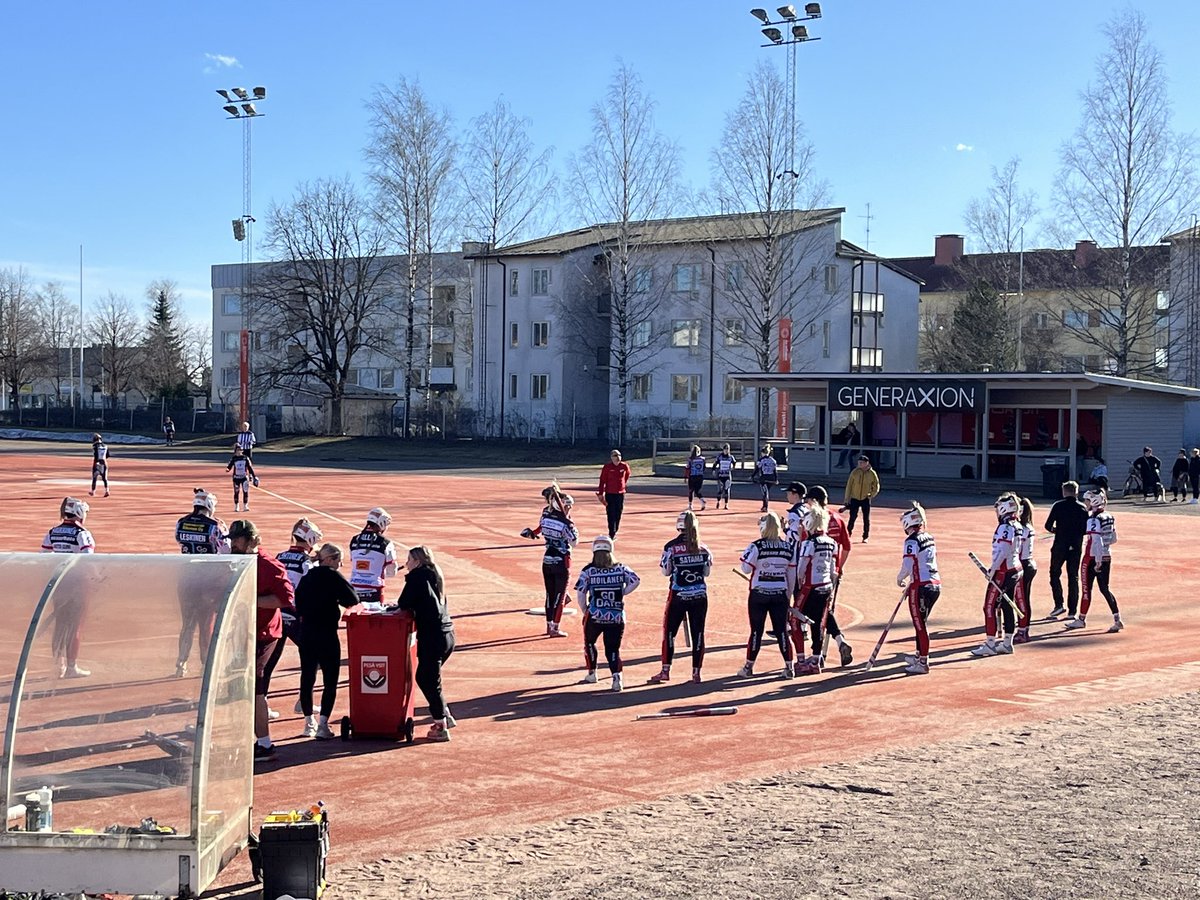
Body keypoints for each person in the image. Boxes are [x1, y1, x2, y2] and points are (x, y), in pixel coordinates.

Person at [228, 519, 295, 762]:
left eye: (238, 539)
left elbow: (286, 599)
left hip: (264, 636)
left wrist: (251, 600)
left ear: (251, 541)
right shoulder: (234, 559)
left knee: (255, 690)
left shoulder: (269, 565)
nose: (233, 543)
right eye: (232, 539)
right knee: (236, 687)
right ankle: (244, 737)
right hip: (241, 633)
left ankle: (265, 744)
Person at [294, 542, 359, 740]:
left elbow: (298, 602)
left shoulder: (307, 577)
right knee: (330, 680)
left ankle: (308, 722)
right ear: (330, 560)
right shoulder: (334, 577)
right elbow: (352, 599)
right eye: (339, 561)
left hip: (306, 632)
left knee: (307, 677)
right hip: (327, 633)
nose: (340, 565)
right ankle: (323, 723)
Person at [394, 546, 457, 741]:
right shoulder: (435, 575)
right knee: (429, 678)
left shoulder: (417, 577)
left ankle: (441, 725)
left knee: (427, 679)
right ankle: (444, 714)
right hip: (447, 635)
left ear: (417, 561)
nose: (407, 563)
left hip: (433, 637)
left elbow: (404, 601)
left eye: (409, 559)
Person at [173, 488, 230, 678]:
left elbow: (178, 540)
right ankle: (206, 665)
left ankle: (181, 664)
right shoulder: (215, 525)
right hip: (209, 580)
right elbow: (226, 551)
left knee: (187, 623)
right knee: (206, 624)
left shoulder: (181, 522)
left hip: (187, 577)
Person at [651, 510, 712, 684]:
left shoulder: (670, 547)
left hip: (678, 594)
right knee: (698, 633)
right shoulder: (704, 548)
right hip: (700, 595)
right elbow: (706, 573)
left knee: (669, 632)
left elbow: (665, 571)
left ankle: (665, 670)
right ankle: (696, 673)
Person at [575, 535, 641, 692]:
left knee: (589, 642)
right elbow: (636, 580)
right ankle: (617, 678)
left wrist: (585, 610)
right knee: (613, 649)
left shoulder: (588, 571)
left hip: (595, 615)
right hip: (616, 615)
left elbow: (580, 593)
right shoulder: (621, 568)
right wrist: (623, 592)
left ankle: (592, 673)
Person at [736, 511, 795, 678]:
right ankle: (789, 667)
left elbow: (746, 568)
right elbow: (791, 575)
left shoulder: (756, 546)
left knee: (756, 631)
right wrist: (787, 596)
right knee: (782, 630)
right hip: (780, 593)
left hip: (759, 594)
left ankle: (748, 667)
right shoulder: (788, 547)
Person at [41, 497, 94, 678]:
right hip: (78, 584)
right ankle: (71, 667)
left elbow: (45, 557)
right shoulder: (82, 534)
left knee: (60, 624)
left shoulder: (53, 532)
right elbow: (88, 559)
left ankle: (59, 665)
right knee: (76, 626)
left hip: (58, 583)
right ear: (79, 513)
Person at [801, 485, 854, 667]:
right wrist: (839, 567)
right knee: (825, 609)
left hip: (812, 575)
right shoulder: (838, 519)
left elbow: (803, 546)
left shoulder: (810, 519)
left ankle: (818, 654)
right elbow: (846, 547)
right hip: (831, 570)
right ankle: (837, 642)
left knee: (814, 613)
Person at [277, 518, 323, 713]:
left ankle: (258, 705)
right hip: (298, 616)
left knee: (268, 664)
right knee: (313, 659)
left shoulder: (280, 555)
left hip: (278, 614)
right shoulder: (306, 562)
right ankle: (303, 703)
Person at [521, 484, 579, 638]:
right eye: (568, 506)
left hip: (547, 560)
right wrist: (571, 526)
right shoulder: (566, 523)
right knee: (559, 596)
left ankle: (549, 625)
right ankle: (555, 627)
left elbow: (541, 527)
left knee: (550, 595)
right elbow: (574, 541)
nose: (569, 509)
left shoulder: (545, 515)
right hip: (562, 561)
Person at [1065, 490, 1123, 633]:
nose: (1085, 503)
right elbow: (1114, 538)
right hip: (1107, 555)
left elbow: (1096, 540)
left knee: (1086, 588)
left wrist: (1097, 561)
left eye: (1087, 500)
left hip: (1092, 557)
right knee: (1105, 588)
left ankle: (1081, 619)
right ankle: (1117, 618)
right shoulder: (1109, 516)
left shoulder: (1093, 519)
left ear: (1094, 501)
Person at [970, 493, 1021, 658]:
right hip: (1014, 569)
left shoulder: (1006, 526)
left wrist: (993, 569)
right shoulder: (1017, 524)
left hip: (1004, 571)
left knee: (989, 606)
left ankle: (990, 644)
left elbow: (1004, 550)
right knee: (1007, 605)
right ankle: (1007, 643)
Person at [791, 505, 838, 677]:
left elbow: (802, 568)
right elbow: (833, 569)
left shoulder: (809, 543)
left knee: (795, 619)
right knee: (819, 623)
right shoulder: (832, 543)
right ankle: (816, 660)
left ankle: (801, 659)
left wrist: (798, 583)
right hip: (826, 586)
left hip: (810, 587)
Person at [896, 503, 940, 676]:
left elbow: (908, 564)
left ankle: (923, 661)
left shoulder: (912, 540)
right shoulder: (929, 537)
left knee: (920, 624)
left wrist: (900, 578)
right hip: (934, 583)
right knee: (921, 622)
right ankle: (919, 655)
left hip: (921, 586)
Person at [1043, 481, 1088, 620]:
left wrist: (1058, 531)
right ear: (1076, 492)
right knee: (1073, 577)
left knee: (1055, 573)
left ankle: (1059, 604)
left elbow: (1048, 525)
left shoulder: (1058, 506)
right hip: (1075, 545)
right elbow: (1086, 529)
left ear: (1064, 492)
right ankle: (1072, 611)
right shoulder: (1082, 508)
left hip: (1060, 545)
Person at [348, 507, 397, 604]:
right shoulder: (386, 543)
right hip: (375, 589)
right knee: (374, 617)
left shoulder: (354, 540)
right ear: (382, 524)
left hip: (354, 588)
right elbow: (392, 571)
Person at [841, 455, 880, 543]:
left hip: (865, 498)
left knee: (866, 519)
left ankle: (865, 536)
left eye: (862, 463)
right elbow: (849, 486)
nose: (860, 464)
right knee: (852, 517)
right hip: (855, 498)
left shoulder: (872, 473)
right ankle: (848, 534)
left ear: (867, 463)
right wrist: (847, 499)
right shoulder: (854, 472)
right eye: (859, 462)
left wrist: (871, 495)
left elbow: (876, 486)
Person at [1013, 497, 1037, 643]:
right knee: (1024, 599)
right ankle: (1024, 627)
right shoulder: (1028, 526)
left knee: (1021, 599)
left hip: (1023, 564)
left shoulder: (1022, 528)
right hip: (1029, 563)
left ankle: (1023, 630)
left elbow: (1017, 549)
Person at [597, 449, 632, 539]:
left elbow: (627, 476)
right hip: (610, 493)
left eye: (619, 455)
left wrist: (622, 485)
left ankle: (615, 529)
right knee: (611, 513)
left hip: (620, 493)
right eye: (615, 455)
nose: (618, 457)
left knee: (618, 512)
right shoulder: (607, 467)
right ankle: (611, 532)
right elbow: (602, 481)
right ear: (611, 457)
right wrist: (601, 493)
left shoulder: (624, 466)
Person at [225, 446, 257, 512]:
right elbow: (229, 466)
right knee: (236, 492)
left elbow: (250, 468)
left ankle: (245, 506)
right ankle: (236, 506)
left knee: (245, 491)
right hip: (236, 478)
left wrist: (254, 476)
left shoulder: (245, 458)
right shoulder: (234, 458)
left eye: (240, 450)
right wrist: (228, 469)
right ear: (235, 451)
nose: (239, 451)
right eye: (238, 450)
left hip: (244, 477)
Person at [753, 444, 778, 512]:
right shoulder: (773, 460)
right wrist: (776, 479)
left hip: (764, 478)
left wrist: (753, 476)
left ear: (763, 453)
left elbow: (757, 469)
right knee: (766, 492)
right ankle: (764, 506)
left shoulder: (761, 460)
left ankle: (765, 506)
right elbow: (775, 470)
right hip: (771, 478)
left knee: (765, 493)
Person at [711, 443, 736, 509]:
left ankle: (726, 504)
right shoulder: (720, 456)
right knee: (720, 490)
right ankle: (718, 501)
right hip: (721, 476)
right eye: (725, 449)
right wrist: (713, 470)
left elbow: (734, 463)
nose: (726, 451)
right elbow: (715, 463)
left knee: (726, 490)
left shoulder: (731, 457)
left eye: (727, 449)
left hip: (727, 475)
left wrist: (733, 467)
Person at [684, 444, 707, 511]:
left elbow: (687, 468)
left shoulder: (690, 459)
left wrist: (685, 476)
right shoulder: (703, 459)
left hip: (692, 476)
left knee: (691, 491)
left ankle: (690, 505)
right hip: (700, 476)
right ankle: (702, 500)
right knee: (697, 491)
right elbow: (704, 468)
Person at [89, 433, 110, 497]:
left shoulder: (95, 447)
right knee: (104, 478)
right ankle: (107, 490)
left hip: (97, 463)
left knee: (94, 478)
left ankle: (93, 491)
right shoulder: (105, 446)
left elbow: (96, 455)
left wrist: (97, 463)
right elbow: (108, 455)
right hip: (104, 463)